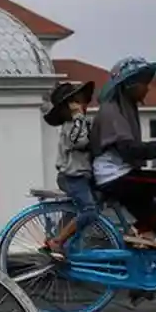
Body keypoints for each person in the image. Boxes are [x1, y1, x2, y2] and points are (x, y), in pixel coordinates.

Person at [91, 57, 156, 248]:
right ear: (129, 85)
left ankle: (143, 240)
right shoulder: (111, 111)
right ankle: (141, 229)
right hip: (116, 176)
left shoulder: (123, 108)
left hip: (122, 173)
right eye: (143, 83)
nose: (147, 88)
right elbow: (129, 150)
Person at [43, 80, 98, 253]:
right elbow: (79, 141)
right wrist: (78, 117)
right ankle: (58, 241)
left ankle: (60, 239)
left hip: (81, 175)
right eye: (77, 102)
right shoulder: (72, 125)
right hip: (73, 177)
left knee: (76, 211)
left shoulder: (80, 123)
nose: (82, 106)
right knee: (90, 211)